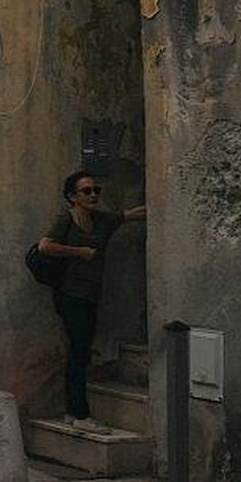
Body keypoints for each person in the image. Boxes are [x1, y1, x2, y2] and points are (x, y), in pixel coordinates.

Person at [37, 170, 146, 433]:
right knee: (79, 350)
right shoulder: (67, 219)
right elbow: (45, 246)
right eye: (86, 191)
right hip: (69, 293)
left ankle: (75, 411)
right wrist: (79, 252)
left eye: (96, 190)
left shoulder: (103, 220)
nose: (94, 195)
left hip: (91, 294)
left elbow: (130, 215)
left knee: (82, 350)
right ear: (72, 196)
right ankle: (78, 413)